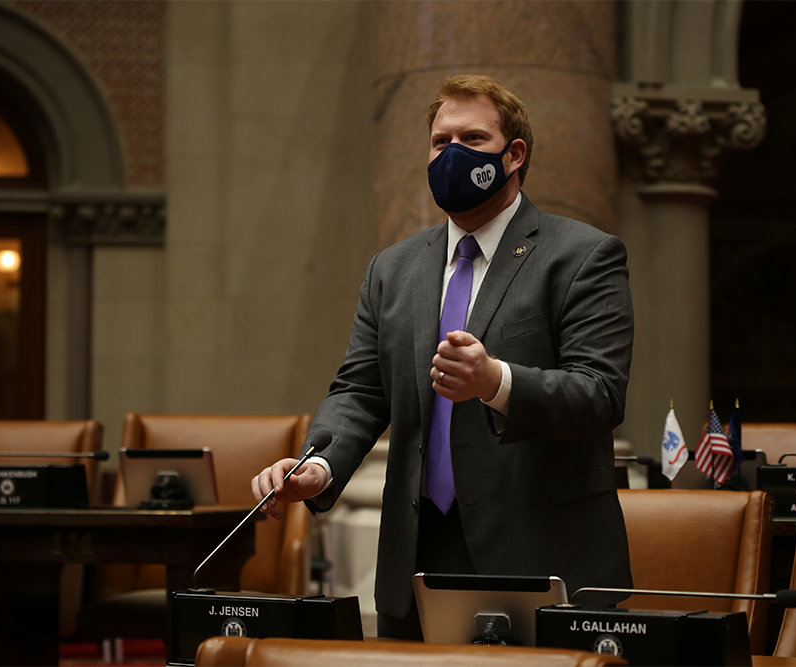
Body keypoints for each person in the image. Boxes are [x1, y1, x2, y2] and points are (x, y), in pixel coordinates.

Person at [252, 74, 634, 639]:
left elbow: (599, 394)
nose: (451, 154)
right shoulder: (393, 268)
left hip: (540, 552)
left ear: (514, 155)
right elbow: (359, 389)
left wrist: (495, 381)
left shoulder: (582, 256)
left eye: (472, 139)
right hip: (420, 552)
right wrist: (320, 464)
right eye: (439, 141)